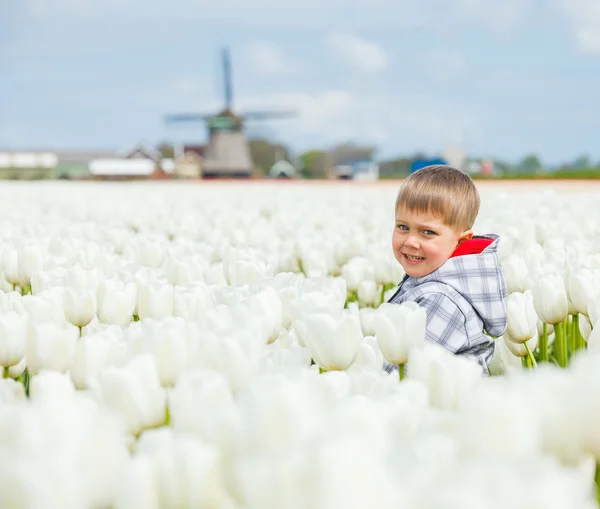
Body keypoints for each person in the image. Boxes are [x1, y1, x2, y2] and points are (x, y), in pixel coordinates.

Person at [384, 165, 508, 376]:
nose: (411, 241)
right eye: (403, 227)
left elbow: (399, 374)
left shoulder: (442, 300)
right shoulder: (429, 282)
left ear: (461, 241)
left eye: (427, 232)